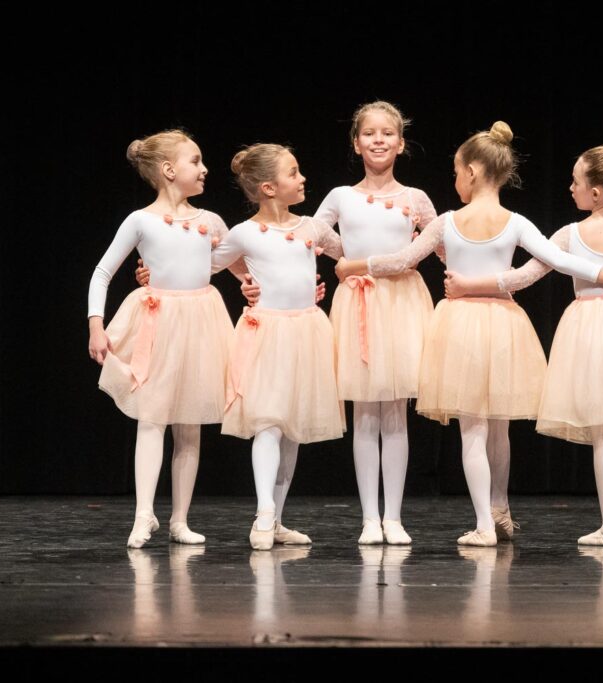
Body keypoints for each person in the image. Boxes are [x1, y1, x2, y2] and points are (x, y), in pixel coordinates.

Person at [336, 123, 603, 546]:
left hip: (460, 328)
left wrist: (355, 265)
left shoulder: (448, 222)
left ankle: (483, 523)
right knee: (498, 429)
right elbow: (558, 260)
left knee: (473, 429)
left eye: (457, 171)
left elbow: (401, 260)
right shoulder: (515, 222)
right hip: (503, 328)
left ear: (473, 172)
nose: (455, 180)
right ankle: (500, 507)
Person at [445, 141, 603, 546]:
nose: (570, 188)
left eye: (575, 182)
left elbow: (523, 276)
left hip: (591, 332)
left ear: (595, 193)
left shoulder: (570, 233)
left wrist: (471, 284)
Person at [87, 129, 247, 548]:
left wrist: (251, 285)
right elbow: (103, 271)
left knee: (190, 426)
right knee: (152, 418)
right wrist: (95, 324)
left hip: (200, 322)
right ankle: (144, 516)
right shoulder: (141, 220)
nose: (204, 168)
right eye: (195, 161)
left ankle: (179, 519)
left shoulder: (208, 221)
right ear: (169, 170)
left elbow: (236, 268)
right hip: (158, 324)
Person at [210, 143, 346, 550]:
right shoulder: (245, 233)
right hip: (266, 332)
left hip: (307, 332)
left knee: (293, 430)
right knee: (267, 422)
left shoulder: (312, 229)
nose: (303, 179)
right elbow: (207, 264)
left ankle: (277, 517)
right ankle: (264, 514)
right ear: (269, 187)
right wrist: (244, 282)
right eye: (294, 172)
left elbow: (350, 256)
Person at [314, 101, 437, 545]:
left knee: (396, 414)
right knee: (364, 412)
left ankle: (395, 517)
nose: (379, 140)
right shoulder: (341, 196)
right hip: (359, 303)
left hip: (403, 304)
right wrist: (343, 256)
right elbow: (309, 233)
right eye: (370, 133)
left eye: (388, 133)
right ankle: (369, 517)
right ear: (356, 142)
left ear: (401, 143)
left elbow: (442, 244)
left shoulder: (415, 199)